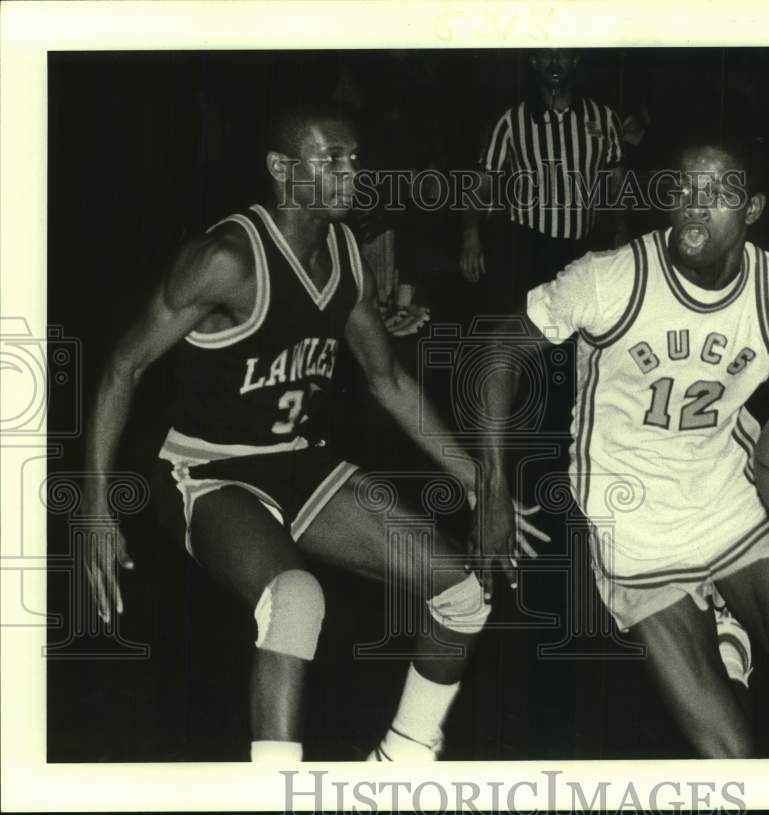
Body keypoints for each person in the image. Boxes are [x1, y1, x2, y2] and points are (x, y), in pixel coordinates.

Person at [80, 100, 538, 763]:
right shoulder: (226, 258)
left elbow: (389, 381)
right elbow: (124, 365)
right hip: (208, 469)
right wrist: (95, 509)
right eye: (333, 159)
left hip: (299, 460)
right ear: (281, 169)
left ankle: (402, 765)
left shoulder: (348, 254)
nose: (353, 172)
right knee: (296, 599)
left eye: (355, 158)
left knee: (463, 592)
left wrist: (479, 483)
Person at [476, 140, 769, 757]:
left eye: (719, 193)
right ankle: (717, 626)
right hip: (636, 516)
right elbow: (496, 354)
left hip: (732, 494)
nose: (696, 206)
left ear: (753, 209)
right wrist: (492, 492)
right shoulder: (611, 278)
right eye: (685, 189)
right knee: (731, 757)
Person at [459, 48, 628, 311]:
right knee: (531, 332)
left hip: (584, 246)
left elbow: (617, 184)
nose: (554, 61)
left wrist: (620, 231)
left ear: (575, 60)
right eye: (546, 54)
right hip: (529, 245)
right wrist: (471, 235)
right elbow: (481, 184)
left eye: (562, 54)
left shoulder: (603, 118)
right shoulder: (512, 120)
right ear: (534, 62)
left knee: (579, 327)